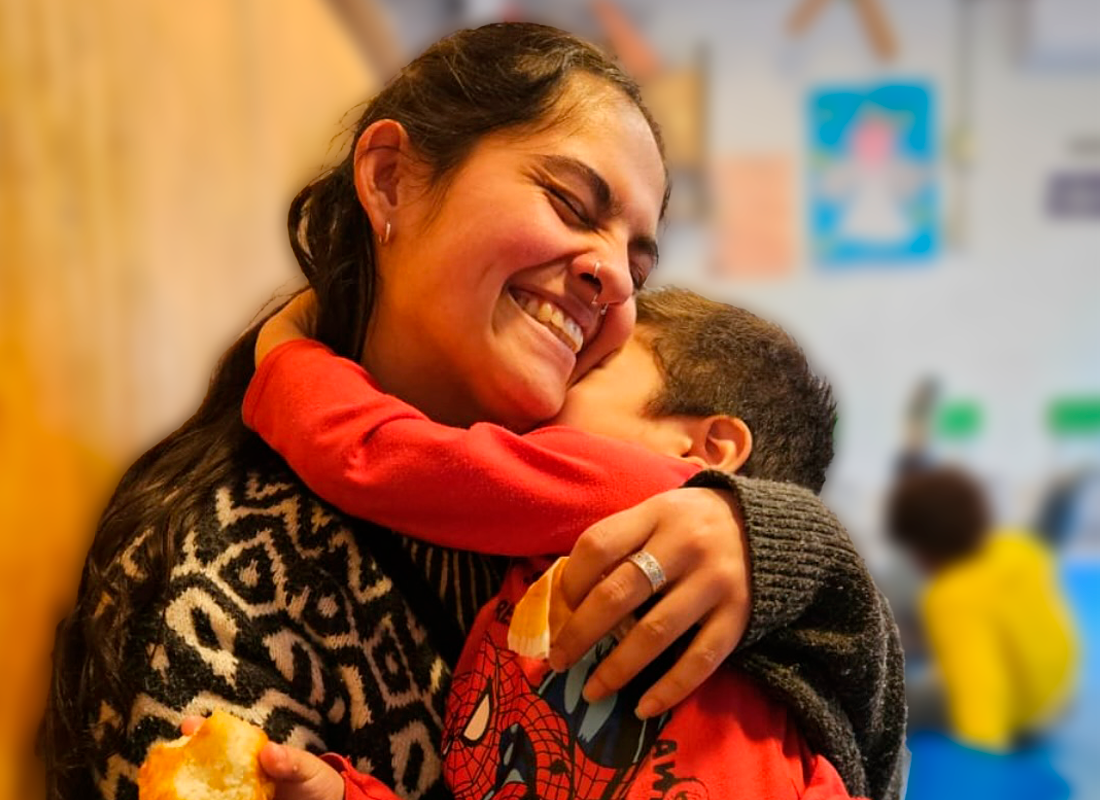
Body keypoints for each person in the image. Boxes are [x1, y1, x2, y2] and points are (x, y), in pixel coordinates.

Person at [43, 23, 903, 800]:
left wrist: (795, 552)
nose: (612, 279)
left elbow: (860, 764)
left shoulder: (643, 526)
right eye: (571, 203)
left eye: (639, 266)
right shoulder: (229, 569)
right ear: (391, 180)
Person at [239, 286, 862, 800]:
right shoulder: (531, 589)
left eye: (590, 370)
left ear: (706, 449)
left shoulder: (648, 488)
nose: (557, 381)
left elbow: (385, 460)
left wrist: (288, 357)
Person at [887, 466, 1078, 752]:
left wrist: (982, 755)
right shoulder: (1016, 547)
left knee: (894, 702)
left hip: (1015, 715)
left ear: (922, 548)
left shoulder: (950, 597)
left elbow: (981, 687)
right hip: (1053, 694)